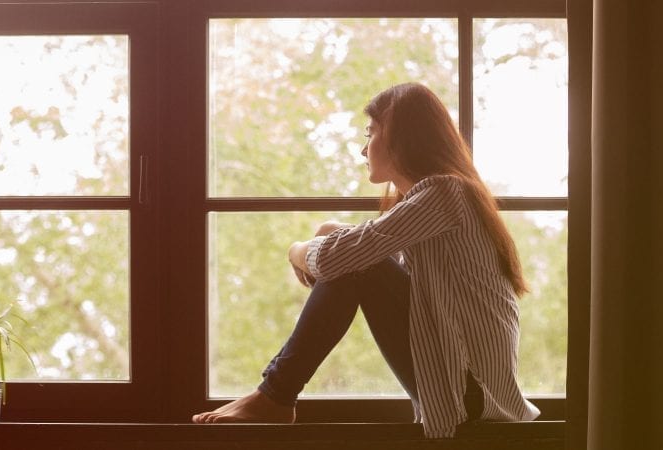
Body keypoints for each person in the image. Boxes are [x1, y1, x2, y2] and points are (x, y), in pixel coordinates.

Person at [192, 82, 540, 438]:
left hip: (472, 400)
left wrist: (295, 250)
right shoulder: (445, 202)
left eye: (370, 133)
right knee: (355, 258)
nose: (362, 149)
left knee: (356, 263)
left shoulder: (445, 193)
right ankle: (273, 396)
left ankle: (276, 396)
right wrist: (330, 230)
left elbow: (343, 258)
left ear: (402, 137)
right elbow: (370, 250)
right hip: (469, 396)